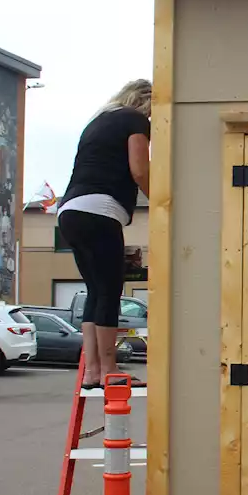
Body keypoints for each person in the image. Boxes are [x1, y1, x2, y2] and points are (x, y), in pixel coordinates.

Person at [57, 80, 151, 388]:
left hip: (69, 210)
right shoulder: (134, 119)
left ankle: (92, 371)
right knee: (110, 291)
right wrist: (163, 204)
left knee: (96, 291)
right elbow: (139, 170)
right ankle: (110, 369)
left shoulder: (97, 122)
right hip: (99, 210)